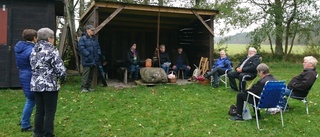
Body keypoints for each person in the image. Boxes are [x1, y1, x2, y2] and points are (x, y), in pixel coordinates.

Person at [30, 27, 66, 137]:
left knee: (40, 110)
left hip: (36, 84)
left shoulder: (33, 50)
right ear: (49, 38)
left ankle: (37, 132)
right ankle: (48, 133)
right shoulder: (51, 50)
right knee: (50, 111)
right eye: (53, 38)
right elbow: (60, 68)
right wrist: (63, 77)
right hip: (49, 85)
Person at [14, 29, 37, 132]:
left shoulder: (19, 47)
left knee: (29, 98)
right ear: (34, 38)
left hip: (23, 73)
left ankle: (23, 119)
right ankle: (25, 124)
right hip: (29, 75)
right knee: (31, 99)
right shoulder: (32, 50)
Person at [78, 25, 102, 92]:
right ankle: (83, 88)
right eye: (92, 30)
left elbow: (98, 47)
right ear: (87, 30)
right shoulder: (83, 38)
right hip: (87, 60)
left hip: (94, 60)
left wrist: (98, 54)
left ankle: (88, 87)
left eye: (93, 30)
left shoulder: (94, 39)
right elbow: (81, 48)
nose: (93, 31)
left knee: (91, 75)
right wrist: (88, 55)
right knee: (86, 74)